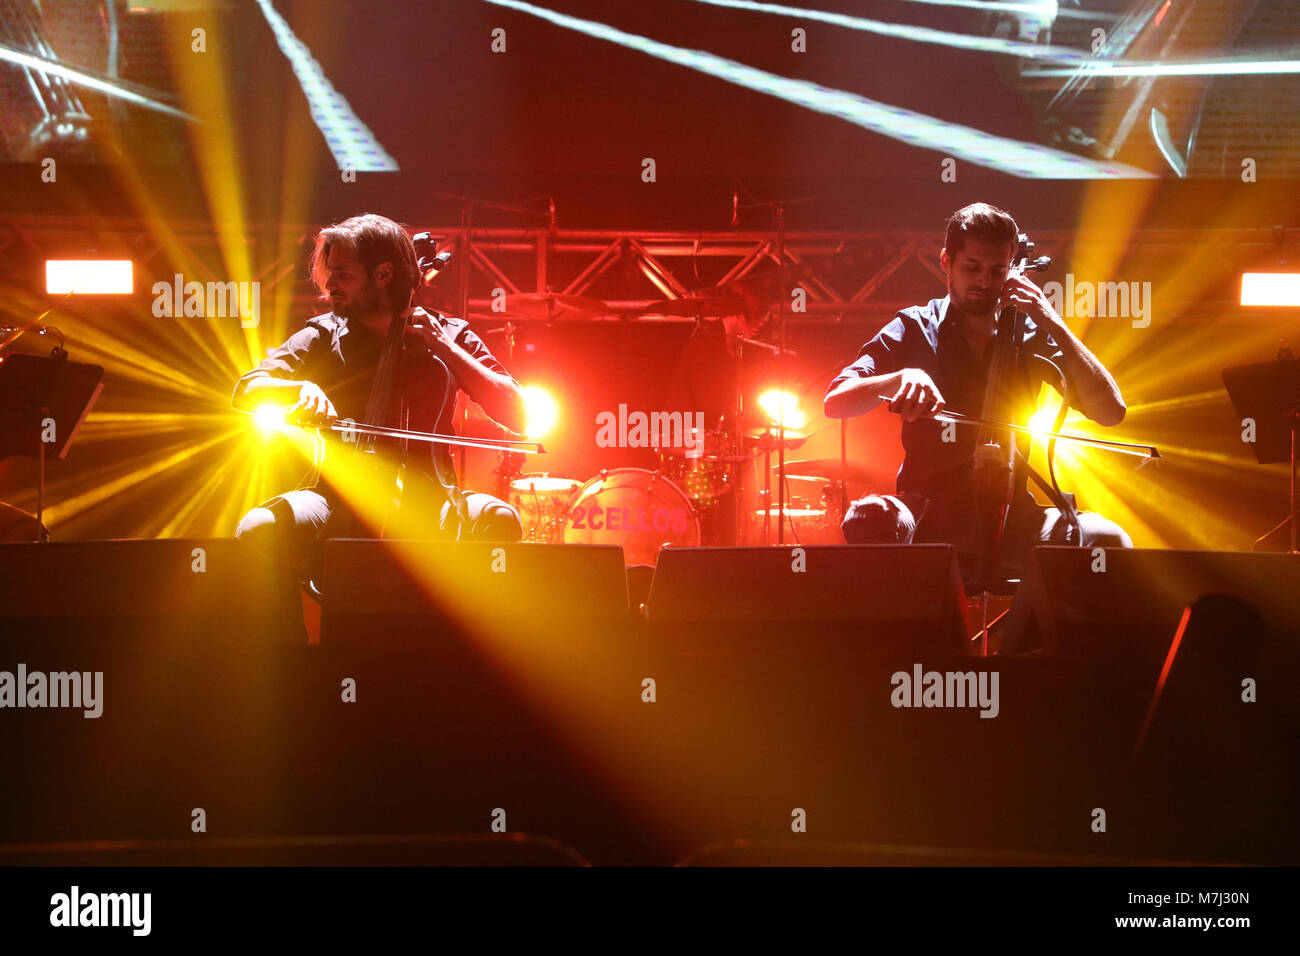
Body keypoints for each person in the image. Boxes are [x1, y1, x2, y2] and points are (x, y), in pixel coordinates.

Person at [823, 202, 1132, 578]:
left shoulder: (1030, 334)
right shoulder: (915, 327)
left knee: (1108, 538)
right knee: (868, 518)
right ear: (945, 261)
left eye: (997, 271)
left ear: (1013, 269)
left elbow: (1110, 411)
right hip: (926, 510)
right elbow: (835, 402)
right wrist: (897, 379)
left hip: (1012, 514)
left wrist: (1051, 321)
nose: (985, 283)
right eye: (972, 268)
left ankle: (1029, 637)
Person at [233, 213, 526, 591]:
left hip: (434, 494)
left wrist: (444, 347)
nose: (330, 285)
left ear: (384, 275)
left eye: (343, 274)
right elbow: (247, 389)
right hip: (337, 498)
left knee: (500, 520)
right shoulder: (323, 334)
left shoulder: (449, 335)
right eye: (328, 272)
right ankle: (290, 648)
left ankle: (464, 641)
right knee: (259, 528)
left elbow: (517, 413)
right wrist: (297, 388)